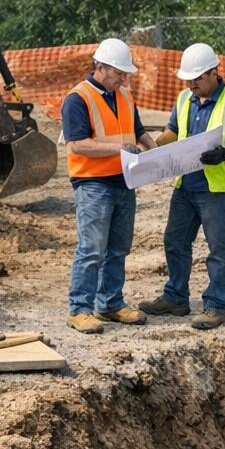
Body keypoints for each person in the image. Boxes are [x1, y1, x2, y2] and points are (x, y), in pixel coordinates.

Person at [138, 43, 225, 331]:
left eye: (197, 80)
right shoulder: (184, 98)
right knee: (175, 240)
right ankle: (176, 297)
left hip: (218, 189)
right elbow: (173, 132)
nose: (191, 85)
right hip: (186, 184)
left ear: (214, 72)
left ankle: (215, 305)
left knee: (218, 248)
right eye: (188, 80)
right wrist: (151, 147)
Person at [63, 37, 157, 335]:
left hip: (124, 181)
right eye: (119, 72)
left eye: (125, 73)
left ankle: (111, 303)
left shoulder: (125, 96)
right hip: (93, 185)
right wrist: (122, 149)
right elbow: (78, 145)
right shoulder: (78, 99)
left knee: (118, 248)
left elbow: (137, 131)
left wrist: (156, 153)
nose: (124, 78)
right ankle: (80, 309)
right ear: (101, 67)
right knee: (92, 249)